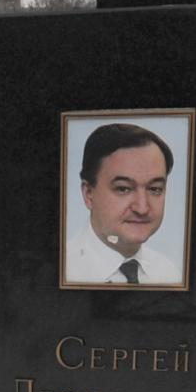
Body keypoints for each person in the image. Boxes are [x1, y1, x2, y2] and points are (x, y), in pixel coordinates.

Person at [64, 121, 179, 286]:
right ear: (88, 194)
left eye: (154, 189)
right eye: (123, 189)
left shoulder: (168, 272)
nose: (142, 208)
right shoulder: (62, 269)